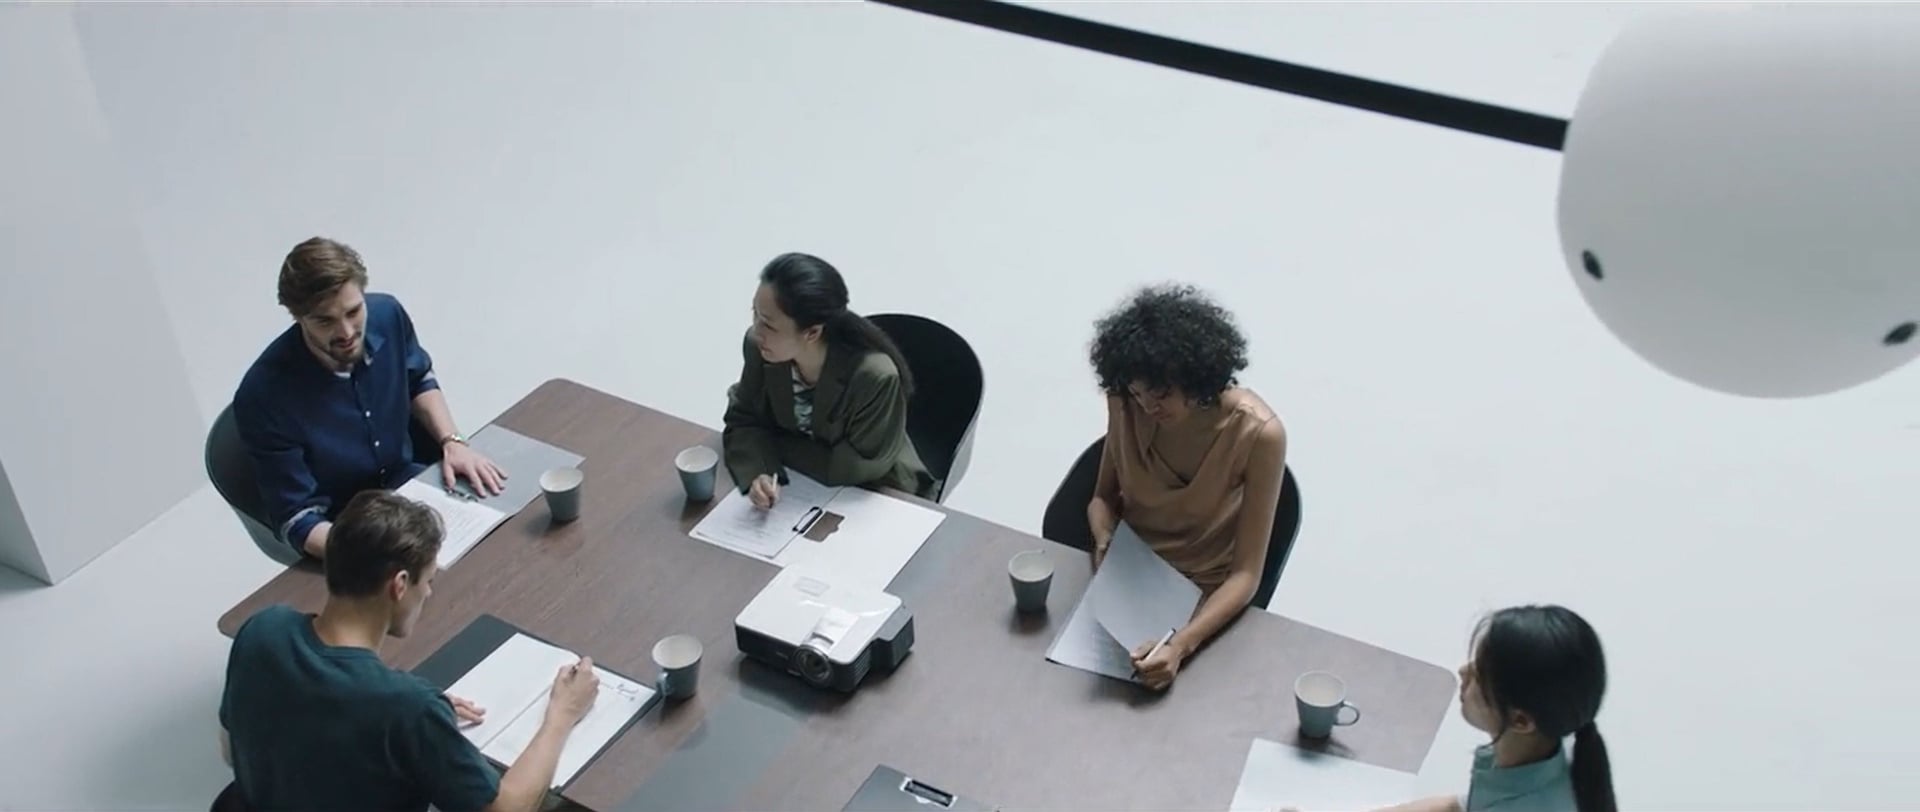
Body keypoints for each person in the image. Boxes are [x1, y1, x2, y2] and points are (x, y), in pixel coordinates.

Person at [217, 490, 599, 812]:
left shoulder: (262, 629)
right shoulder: (406, 706)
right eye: (428, 580)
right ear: (399, 585)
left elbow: (232, 750)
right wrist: (562, 713)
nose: (428, 593)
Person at [233, 236, 507, 559]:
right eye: (325, 320)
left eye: (353, 311)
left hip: (411, 488)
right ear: (297, 317)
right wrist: (368, 558)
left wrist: (453, 441)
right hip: (347, 530)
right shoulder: (264, 397)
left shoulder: (387, 315)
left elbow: (418, 379)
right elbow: (297, 518)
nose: (347, 332)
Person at [1084, 283, 1287, 690]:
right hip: (1127, 576)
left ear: (1197, 379)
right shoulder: (1125, 402)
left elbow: (1246, 575)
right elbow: (1102, 498)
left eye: (1161, 394)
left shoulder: (1258, 435)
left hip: (1201, 594)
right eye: (1138, 394)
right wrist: (1105, 541)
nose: (1147, 408)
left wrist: (1181, 645)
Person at [722, 252, 936, 505]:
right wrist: (759, 470)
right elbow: (742, 418)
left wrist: (773, 444)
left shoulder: (874, 376)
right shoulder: (759, 348)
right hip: (801, 487)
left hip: (877, 494)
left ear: (812, 332)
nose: (756, 331)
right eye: (755, 313)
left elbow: (857, 466)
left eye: (768, 324)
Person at [1380, 605, 1616, 812]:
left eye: (1480, 674)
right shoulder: (1554, 760)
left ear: (1521, 721)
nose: (1463, 671)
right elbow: (1460, 806)